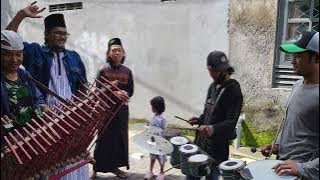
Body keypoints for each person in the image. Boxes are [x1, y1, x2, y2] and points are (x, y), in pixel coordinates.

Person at [5, 2, 89, 179]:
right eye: (57, 33)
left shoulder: (74, 58)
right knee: (48, 165)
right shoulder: (35, 52)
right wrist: (21, 15)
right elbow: (9, 41)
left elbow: (83, 88)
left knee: (72, 162)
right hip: (44, 119)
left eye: (64, 34)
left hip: (71, 118)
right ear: (46, 35)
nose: (61, 37)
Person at [261, 31, 319, 180]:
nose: (292, 61)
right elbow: (293, 124)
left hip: (302, 175)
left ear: (317, 58)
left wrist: (301, 168)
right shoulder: (297, 85)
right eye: (293, 56)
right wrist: (279, 145)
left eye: (298, 56)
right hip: (282, 168)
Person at [187, 51, 243, 180]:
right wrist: (200, 119)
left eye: (215, 71)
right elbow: (210, 113)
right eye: (210, 70)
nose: (212, 74)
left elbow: (230, 122)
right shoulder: (213, 86)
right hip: (201, 144)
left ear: (224, 70)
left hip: (217, 149)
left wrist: (211, 129)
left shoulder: (233, 90)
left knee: (212, 177)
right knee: (191, 176)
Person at [93, 37, 134, 179]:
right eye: (113, 50)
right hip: (105, 110)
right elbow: (96, 91)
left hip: (121, 111)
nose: (116, 53)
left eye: (119, 50)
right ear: (108, 53)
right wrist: (114, 93)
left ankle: (115, 168)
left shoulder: (127, 71)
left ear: (123, 53)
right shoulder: (103, 70)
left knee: (118, 139)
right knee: (103, 139)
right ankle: (95, 169)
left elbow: (131, 90)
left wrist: (125, 93)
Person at [1, 30, 47, 133]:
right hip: (10, 142)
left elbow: (37, 98)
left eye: (18, 54)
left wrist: (40, 106)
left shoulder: (24, 75)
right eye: (7, 55)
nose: (14, 59)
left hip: (32, 135)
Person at [144, 96, 167, 180]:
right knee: (152, 157)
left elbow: (163, 130)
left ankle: (162, 172)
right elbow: (150, 128)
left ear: (157, 107)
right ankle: (150, 171)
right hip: (152, 141)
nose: (151, 108)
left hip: (160, 142)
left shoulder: (162, 118)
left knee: (161, 158)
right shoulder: (152, 117)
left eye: (153, 106)